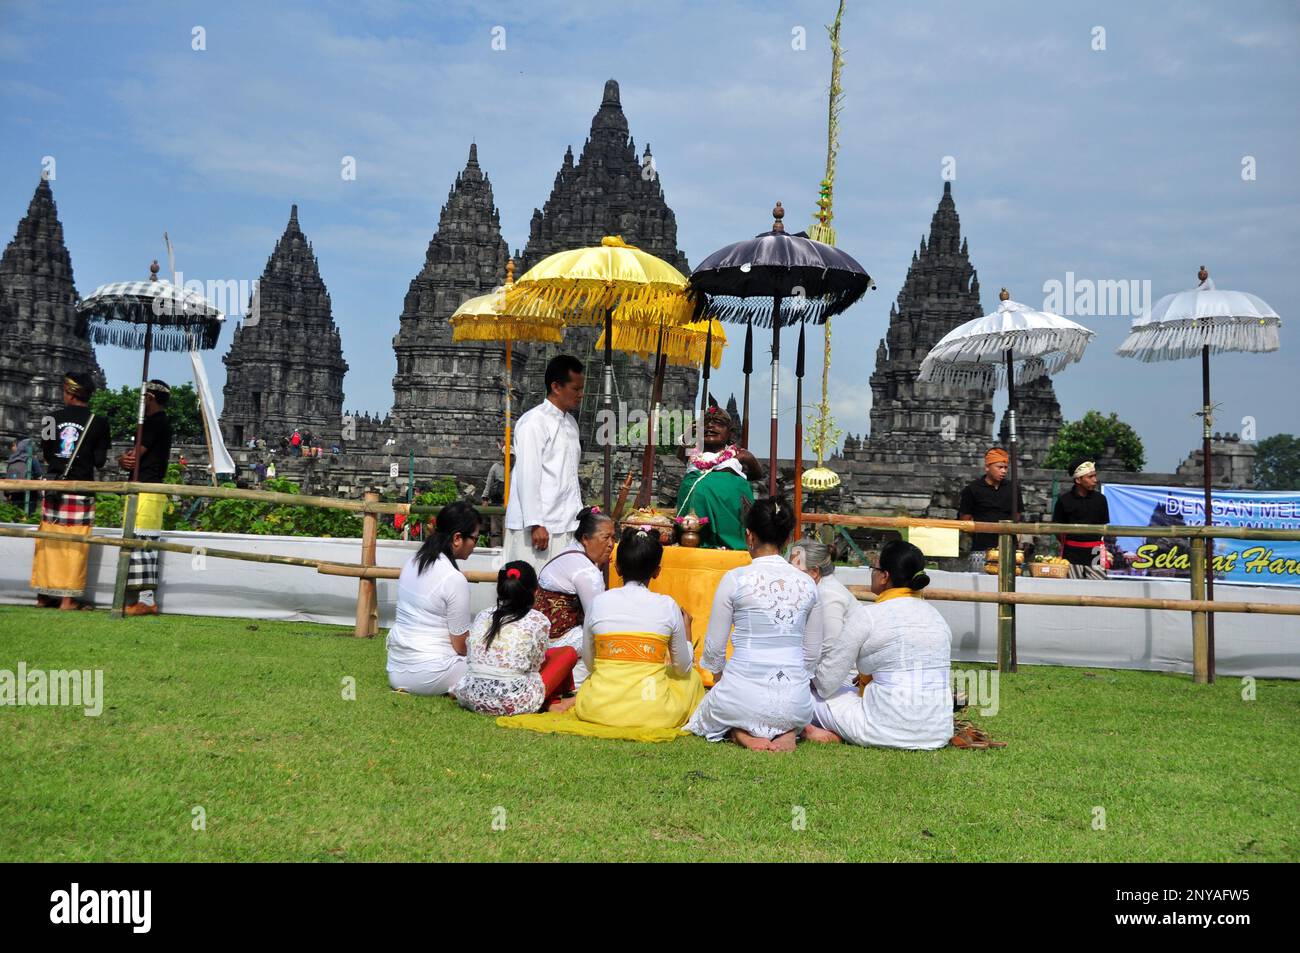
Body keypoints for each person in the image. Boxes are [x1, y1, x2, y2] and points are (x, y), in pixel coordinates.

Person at [686, 497, 818, 752]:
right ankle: (788, 729)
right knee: (788, 706)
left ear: (749, 536)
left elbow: (714, 649)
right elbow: (812, 653)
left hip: (740, 695)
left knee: (714, 708)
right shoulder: (808, 584)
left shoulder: (735, 579)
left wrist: (724, 682)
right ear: (788, 539)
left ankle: (740, 731)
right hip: (795, 701)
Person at [803, 540, 954, 750]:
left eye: (874, 569)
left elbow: (826, 684)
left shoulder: (868, 616)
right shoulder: (937, 618)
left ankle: (809, 729)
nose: (872, 574)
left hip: (884, 730)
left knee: (804, 696)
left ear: (884, 577)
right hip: (938, 732)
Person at [573, 527, 705, 729]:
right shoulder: (668, 605)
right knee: (692, 678)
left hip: (597, 708)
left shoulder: (598, 603)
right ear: (657, 571)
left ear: (617, 567)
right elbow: (682, 669)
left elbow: (590, 665)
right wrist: (687, 630)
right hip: (654, 712)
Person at [455, 561, 579, 716]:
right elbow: (535, 667)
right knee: (568, 653)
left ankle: (556, 698)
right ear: (536, 592)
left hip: (472, 696)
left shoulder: (483, 615)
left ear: (499, 589)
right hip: (512, 702)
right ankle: (553, 701)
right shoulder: (538, 620)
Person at [31, 372, 111, 610]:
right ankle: (68, 598)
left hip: (55, 488)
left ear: (69, 392)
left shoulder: (49, 419)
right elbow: (100, 461)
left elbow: (46, 453)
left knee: (49, 541)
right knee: (76, 544)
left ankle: (43, 595)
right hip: (81, 489)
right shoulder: (100, 422)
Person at [385, 501, 482, 695]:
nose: (475, 545)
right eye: (475, 539)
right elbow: (461, 646)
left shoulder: (412, 562)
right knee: (492, 667)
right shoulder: (454, 579)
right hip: (432, 674)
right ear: (457, 538)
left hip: (396, 671)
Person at [503, 354, 584, 570]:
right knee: (529, 591)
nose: (581, 395)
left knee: (557, 594)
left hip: (565, 523)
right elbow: (528, 476)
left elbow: (570, 477)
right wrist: (535, 523)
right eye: (576, 389)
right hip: (537, 527)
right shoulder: (533, 422)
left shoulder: (571, 424)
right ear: (556, 387)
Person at [535, 506, 614, 688]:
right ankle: (576, 687)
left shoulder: (566, 552)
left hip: (540, 637)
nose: (611, 544)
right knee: (603, 637)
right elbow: (598, 620)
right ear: (585, 539)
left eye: (613, 538)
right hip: (554, 642)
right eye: (605, 538)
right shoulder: (586, 571)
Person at [117, 379, 173, 617]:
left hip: (148, 487)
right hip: (146, 486)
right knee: (137, 539)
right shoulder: (152, 423)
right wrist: (125, 459)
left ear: (150, 398)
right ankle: (140, 597)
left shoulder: (155, 423)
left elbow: (135, 456)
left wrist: (124, 459)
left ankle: (146, 599)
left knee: (143, 541)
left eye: (143, 397)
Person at [675, 405, 761, 550]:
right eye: (706, 424)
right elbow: (679, 454)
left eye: (718, 424)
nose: (710, 427)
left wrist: (734, 485)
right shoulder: (693, 454)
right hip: (690, 523)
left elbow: (757, 474)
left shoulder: (740, 455)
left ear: (730, 433)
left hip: (727, 521)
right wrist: (689, 434)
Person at [789, 538, 859, 694]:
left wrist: (809, 682)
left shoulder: (828, 595)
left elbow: (831, 647)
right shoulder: (820, 590)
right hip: (830, 674)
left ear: (814, 572)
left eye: (794, 570)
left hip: (844, 679)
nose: (789, 575)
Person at [958, 447, 1025, 572]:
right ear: (987, 467)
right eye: (999, 467)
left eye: (1005, 468)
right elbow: (965, 519)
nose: (1003, 471)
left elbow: (1017, 516)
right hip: (981, 547)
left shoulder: (1013, 488)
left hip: (1008, 547)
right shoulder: (972, 489)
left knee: (1009, 586)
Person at [1052, 458, 1111, 579]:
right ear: (1078, 480)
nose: (1095, 480)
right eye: (1090, 477)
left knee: (1099, 590)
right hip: (1071, 552)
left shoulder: (1100, 500)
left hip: (1095, 552)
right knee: (1071, 590)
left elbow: (1103, 526)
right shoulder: (1064, 500)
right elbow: (1057, 528)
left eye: (1095, 476)